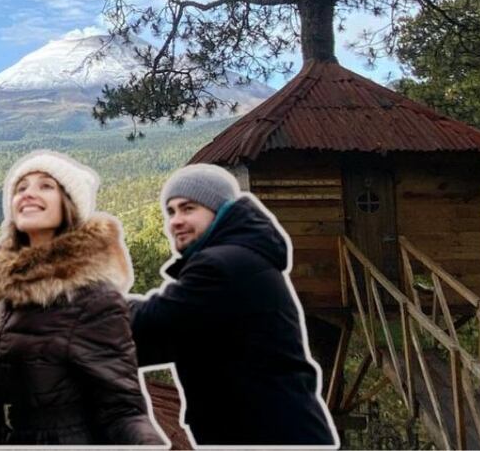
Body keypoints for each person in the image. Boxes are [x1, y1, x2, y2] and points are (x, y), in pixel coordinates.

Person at [129, 164, 339, 448]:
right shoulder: (242, 259)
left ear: (219, 210)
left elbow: (150, 325)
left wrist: (79, 302)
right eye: (171, 211)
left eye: (188, 208)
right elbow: (160, 342)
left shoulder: (223, 266)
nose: (176, 220)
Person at [0, 150, 167, 446]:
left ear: (69, 203)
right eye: (21, 188)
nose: (28, 193)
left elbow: (122, 408)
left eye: (45, 185)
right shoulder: (11, 292)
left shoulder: (93, 299)